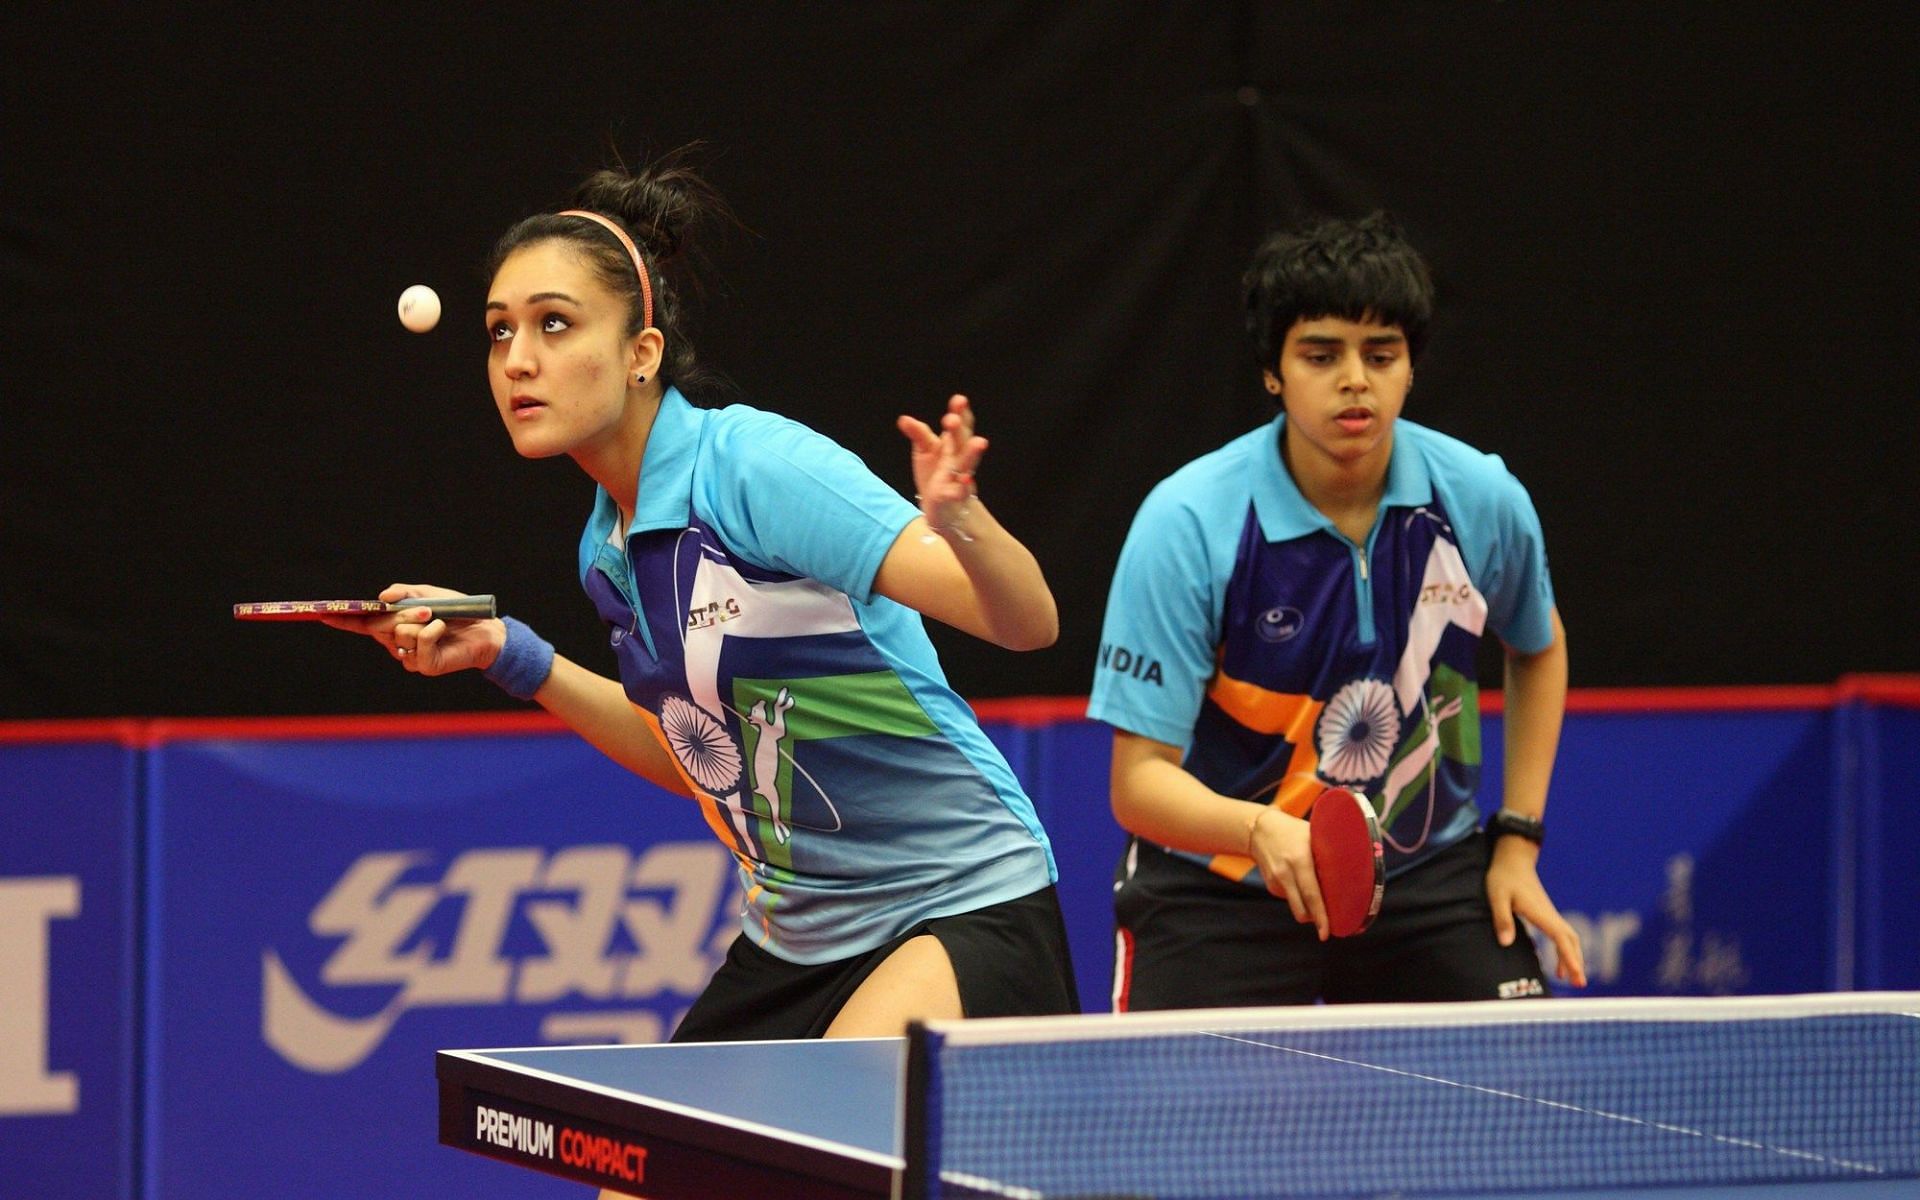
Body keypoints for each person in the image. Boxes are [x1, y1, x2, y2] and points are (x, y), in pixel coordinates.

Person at [326, 155, 1078, 1049]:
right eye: (498, 332)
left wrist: (963, 521)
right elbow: (701, 762)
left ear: (642, 353)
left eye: (554, 324)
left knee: (837, 1145)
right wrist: (508, 653)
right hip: (793, 941)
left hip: (956, 904)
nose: (518, 360)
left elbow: (1027, 624)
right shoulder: (606, 550)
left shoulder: (756, 471)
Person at [1088, 212, 1587, 1009]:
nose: (1355, 379)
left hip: (1425, 875)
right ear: (1274, 373)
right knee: (1183, 1130)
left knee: (1516, 1112)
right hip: (1224, 888)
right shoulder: (1189, 524)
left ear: (1410, 368)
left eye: (1380, 355)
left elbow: (1539, 645)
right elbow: (1138, 784)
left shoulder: (1481, 500)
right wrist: (1257, 831)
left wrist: (1517, 841)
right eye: (1321, 355)